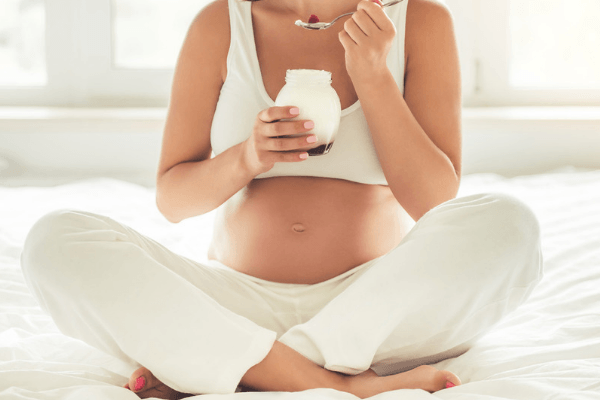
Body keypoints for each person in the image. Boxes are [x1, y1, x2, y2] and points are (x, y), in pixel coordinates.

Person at [20, 0, 544, 398]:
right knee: (56, 240)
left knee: (508, 225)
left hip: (371, 306)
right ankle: (339, 384)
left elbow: (435, 202)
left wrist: (372, 75)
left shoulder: (420, 19)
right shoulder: (222, 22)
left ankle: (232, 367)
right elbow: (173, 201)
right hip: (230, 301)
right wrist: (247, 157)